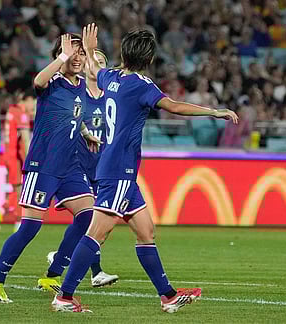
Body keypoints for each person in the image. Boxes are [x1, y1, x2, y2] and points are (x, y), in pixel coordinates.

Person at [51, 24, 239, 313]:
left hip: (117, 170)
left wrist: (90, 50)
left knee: (146, 231)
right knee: (96, 234)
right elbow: (173, 106)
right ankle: (64, 296)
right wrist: (213, 111)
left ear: (125, 52)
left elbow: (94, 71)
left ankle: (168, 296)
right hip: (120, 170)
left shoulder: (110, 77)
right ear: (149, 58)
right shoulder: (142, 85)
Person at [0, 32, 101, 303]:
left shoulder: (82, 86)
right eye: (73, 51)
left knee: (87, 215)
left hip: (69, 167)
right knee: (30, 227)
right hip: (43, 165)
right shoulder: (52, 82)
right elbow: (37, 80)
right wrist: (63, 55)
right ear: (61, 54)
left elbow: (75, 114)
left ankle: (52, 274)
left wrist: (85, 132)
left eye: (81, 53)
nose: (77, 57)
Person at [46, 48, 119, 288]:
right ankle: (94, 271)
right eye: (93, 61)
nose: (96, 65)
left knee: (96, 223)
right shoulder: (77, 95)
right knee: (91, 220)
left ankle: (59, 260)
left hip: (103, 168)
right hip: (77, 165)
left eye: (101, 62)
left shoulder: (112, 98)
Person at [0, 87, 35, 232]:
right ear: (28, 100)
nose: (33, 108)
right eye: (33, 104)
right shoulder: (22, 115)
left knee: (18, 188)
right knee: (20, 191)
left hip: (8, 154)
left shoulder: (12, 110)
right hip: (16, 157)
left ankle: (1, 210)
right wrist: (31, 159)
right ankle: (18, 223)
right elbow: (25, 138)